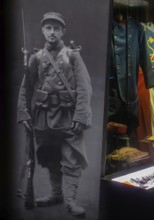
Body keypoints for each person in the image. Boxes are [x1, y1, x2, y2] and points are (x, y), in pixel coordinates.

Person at [17, 12, 92, 218]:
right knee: (50, 158)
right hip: (42, 117)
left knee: (70, 160)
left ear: (63, 31)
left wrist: (80, 116)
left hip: (67, 116)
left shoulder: (73, 55)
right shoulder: (36, 57)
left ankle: (70, 200)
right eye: (48, 28)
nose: (52, 32)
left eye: (56, 28)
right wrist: (24, 114)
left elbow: (85, 88)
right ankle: (56, 194)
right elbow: (26, 89)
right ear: (43, 30)